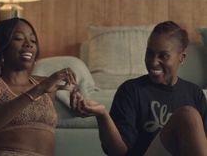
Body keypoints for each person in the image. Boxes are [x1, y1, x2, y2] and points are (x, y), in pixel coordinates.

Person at [70, 21, 207, 156]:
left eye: (163, 56)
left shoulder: (194, 93)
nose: (153, 62)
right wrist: (102, 115)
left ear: (181, 58)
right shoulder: (131, 90)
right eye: (149, 53)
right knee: (189, 115)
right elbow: (118, 152)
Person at [0, 17, 77, 156]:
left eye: (33, 41)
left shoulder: (46, 86)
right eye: (18, 38)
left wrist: (80, 104)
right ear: (1, 47)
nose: (28, 44)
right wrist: (38, 89)